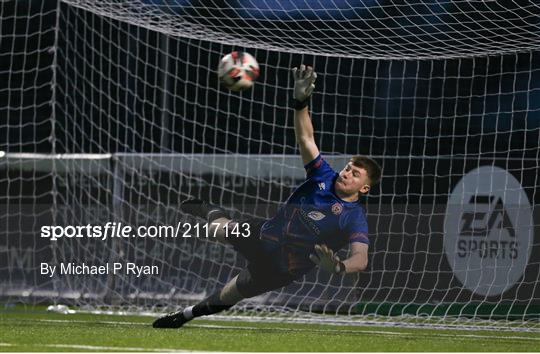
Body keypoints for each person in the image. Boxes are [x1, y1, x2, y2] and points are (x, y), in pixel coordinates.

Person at [152, 65, 382, 329]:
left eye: (355, 174)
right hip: (263, 234)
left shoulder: (354, 219)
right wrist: (300, 101)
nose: (347, 173)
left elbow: (361, 259)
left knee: (230, 295)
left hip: (282, 268)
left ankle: (183, 316)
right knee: (216, 229)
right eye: (348, 168)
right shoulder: (323, 176)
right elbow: (306, 137)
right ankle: (206, 208)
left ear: (364, 188)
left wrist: (340, 267)